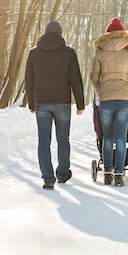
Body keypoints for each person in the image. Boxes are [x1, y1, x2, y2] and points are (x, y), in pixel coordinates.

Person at [25, 21, 85, 190]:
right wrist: (80, 104)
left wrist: (31, 102)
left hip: (41, 102)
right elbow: (75, 79)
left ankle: (48, 179)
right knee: (63, 140)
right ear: (60, 34)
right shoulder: (68, 53)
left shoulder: (34, 53)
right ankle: (63, 174)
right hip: (62, 102)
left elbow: (29, 80)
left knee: (43, 142)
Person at [91, 17, 128, 187]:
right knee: (121, 137)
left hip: (106, 99)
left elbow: (94, 77)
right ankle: (119, 174)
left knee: (107, 137)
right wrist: (127, 86)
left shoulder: (100, 53)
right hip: (124, 98)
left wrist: (101, 89)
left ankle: (107, 172)